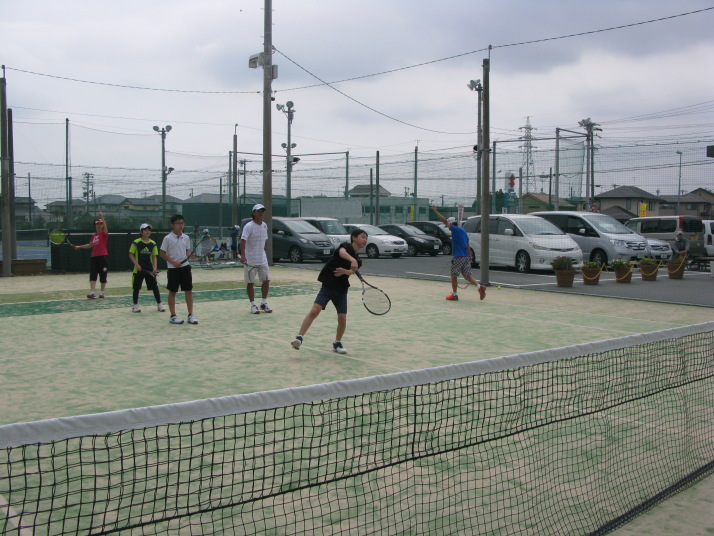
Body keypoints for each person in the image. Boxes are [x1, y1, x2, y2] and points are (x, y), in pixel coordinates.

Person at [291, 228, 368, 354]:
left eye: (366, 238)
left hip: (341, 289)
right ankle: (299, 338)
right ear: (354, 238)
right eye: (363, 237)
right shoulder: (345, 247)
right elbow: (342, 253)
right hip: (328, 286)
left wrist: (345, 271)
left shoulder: (358, 261)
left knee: (342, 318)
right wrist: (352, 260)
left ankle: (337, 342)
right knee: (314, 311)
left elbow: (352, 271)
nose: (365, 240)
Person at [430, 206, 486, 301]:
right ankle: (480, 287)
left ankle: (455, 295)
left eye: (448, 225)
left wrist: (436, 211)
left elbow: (444, 221)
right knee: (467, 276)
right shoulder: (463, 231)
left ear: (451, 224)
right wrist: (470, 255)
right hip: (465, 256)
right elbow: (467, 244)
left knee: (454, 276)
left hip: (458, 256)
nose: (448, 227)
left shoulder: (455, 230)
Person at [159, 214, 198, 325]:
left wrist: (191, 255)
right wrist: (173, 262)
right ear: (172, 225)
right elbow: (162, 253)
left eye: (182, 223)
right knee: (172, 292)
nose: (180, 225)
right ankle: (173, 316)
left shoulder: (186, 238)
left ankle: (190, 315)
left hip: (185, 268)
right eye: (178, 223)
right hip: (173, 269)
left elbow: (187, 251)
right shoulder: (167, 238)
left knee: (189, 291)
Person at [240, 204, 272, 314]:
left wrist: (264, 253)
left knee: (266, 280)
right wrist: (243, 255)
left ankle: (264, 303)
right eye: (259, 211)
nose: (261, 213)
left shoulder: (265, 226)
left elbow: (265, 241)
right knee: (250, 283)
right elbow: (243, 240)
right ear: (253, 213)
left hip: (262, 259)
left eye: (262, 211)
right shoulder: (248, 226)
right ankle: (253, 305)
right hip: (250, 260)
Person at [128, 223, 166, 313]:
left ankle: (159, 305)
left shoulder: (153, 243)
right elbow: (131, 255)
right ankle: (135, 305)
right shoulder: (136, 242)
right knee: (136, 288)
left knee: (155, 287)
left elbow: (154, 256)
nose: (148, 231)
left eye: (149, 230)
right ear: (141, 232)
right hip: (138, 270)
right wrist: (137, 265)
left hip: (150, 270)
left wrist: (155, 268)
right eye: (145, 230)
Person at [72, 212, 109, 299]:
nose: (99, 225)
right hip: (94, 257)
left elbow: (106, 229)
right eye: (97, 224)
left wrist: (102, 217)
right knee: (93, 274)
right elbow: (90, 245)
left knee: (103, 275)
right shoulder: (94, 235)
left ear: (102, 225)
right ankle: (92, 292)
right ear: (95, 225)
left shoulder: (104, 234)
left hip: (103, 256)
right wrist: (79, 247)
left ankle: (102, 292)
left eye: (100, 223)